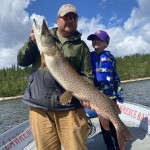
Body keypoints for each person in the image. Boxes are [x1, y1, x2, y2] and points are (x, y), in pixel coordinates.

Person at [17, 4, 93, 150]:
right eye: (66, 17)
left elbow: (88, 76)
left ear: (77, 21)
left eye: (73, 17)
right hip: (40, 109)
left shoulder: (82, 46)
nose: (70, 20)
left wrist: (86, 94)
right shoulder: (44, 41)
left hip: (71, 110)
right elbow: (21, 61)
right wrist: (32, 43)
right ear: (58, 20)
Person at [87, 30, 124, 150]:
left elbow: (116, 76)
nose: (95, 41)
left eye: (99, 39)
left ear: (106, 43)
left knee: (114, 122)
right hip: (97, 96)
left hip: (111, 96)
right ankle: (110, 146)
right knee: (104, 125)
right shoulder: (88, 57)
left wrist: (119, 92)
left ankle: (119, 144)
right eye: (94, 39)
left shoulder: (111, 57)